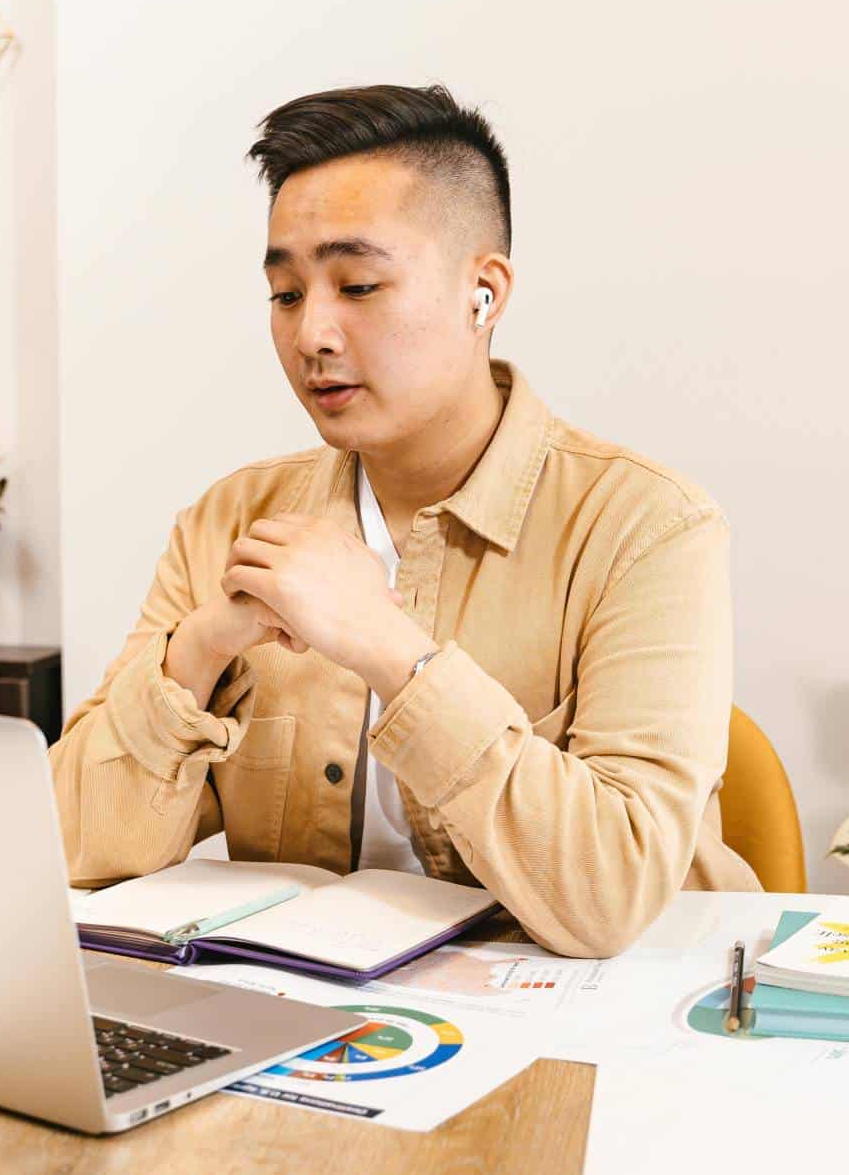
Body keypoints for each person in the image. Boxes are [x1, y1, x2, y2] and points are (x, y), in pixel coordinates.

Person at [50, 83, 761, 957]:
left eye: (358, 284)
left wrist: (389, 646)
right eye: (284, 294)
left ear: (484, 294)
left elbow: (609, 897)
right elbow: (70, 844)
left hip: (611, 1041)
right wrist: (196, 652)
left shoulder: (647, 526)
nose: (312, 331)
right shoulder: (229, 522)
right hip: (319, 1041)